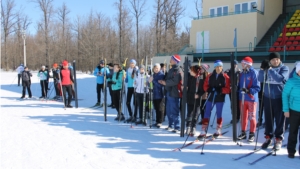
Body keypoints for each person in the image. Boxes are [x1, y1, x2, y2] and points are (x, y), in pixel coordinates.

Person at [258, 52, 289, 150]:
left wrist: (270, 70)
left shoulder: (284, 68)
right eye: (273, 60)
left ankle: (278, 138)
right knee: (268, 118)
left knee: (279, 120)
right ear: (270, 61)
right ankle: (268, 137)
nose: (275, 61)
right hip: (268, 97)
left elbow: (280, 79)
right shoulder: (267, 68)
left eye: (277, 59)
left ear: (280, 60)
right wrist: (262, 69)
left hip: (279, 97)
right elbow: (260, 79)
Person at [198, 60, 231, 138]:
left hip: (220, 98)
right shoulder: (210, 76)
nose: (218, 68)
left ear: (222, 67)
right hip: (211, 97)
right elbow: (205, 85)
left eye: (220, 66)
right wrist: (208, 89)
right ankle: (203, 129)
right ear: (214, 67)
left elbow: (228, 89)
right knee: (207, 112)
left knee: (219, 113)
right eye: (217, 66)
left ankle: (218, 128)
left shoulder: (225, 76)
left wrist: (221, 90)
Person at [236, 57, 260, 142]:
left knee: (251, 116)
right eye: (242, 63)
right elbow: (239, 85)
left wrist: (249, 90)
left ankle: (252, 133)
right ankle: (243, 132)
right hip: (242, 98)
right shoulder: (242, 73)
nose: (242, 65)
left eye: (243, 63)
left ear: (248, 64)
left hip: (251, 99)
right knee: (243, 116)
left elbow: (257, 87)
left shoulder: (254, 73)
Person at [158, 55, 182, 133]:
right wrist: (163, 80)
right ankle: (170, 124)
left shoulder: (177, 69)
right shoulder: (171, 69)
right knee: (168, 110)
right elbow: (168, 79)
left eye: (171, 59)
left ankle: (177, 126)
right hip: (168, 92)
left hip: (174, 93)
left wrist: (165, 82)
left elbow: (175, 81)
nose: (170, 60)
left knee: (174, 110)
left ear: (175, 60)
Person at [282, 62, 300, 158]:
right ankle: (291, 150)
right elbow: (285, 95)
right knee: (293, 131)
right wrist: (286, 110)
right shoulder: (291, 81)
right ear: (297, 71)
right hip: (294, 111)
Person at [186, 65, 205, 136]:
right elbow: (187, 86)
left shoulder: (200, 79)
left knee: (195, 114)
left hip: (196, 100)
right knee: (189, 113)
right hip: (190, 98)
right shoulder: (190, 78)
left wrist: (198, 95)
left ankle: (193, 127)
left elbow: (203, 90)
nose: (190, 71)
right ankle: (188, 126)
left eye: (191, 70)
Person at [149, 63, 165, 128]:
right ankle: (157, 121)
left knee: (160, 108)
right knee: (156, 108)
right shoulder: (154, 75)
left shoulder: (161, 74)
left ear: (159, 68)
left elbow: (160, 85)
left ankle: (160, 121)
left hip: (159, 94)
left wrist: (153, 80)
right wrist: (149, 82)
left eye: (157, 68)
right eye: (155, 68)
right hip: (154, 94)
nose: (156, 70)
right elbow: (151, 83)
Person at [257, 59, 269, 127]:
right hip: (261, 92)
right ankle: (260, 120)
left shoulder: (269, 72)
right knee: (261, 108)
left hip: (267, 92)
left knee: (266, 108)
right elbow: (259, 79)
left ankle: (266, 121)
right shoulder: (261, 72)